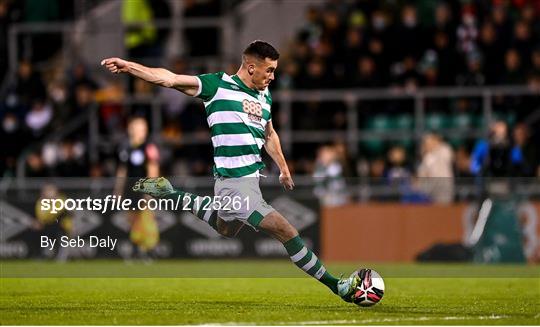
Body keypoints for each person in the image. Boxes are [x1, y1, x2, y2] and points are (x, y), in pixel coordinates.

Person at [101, 40, 359, 303]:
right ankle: (337, 285)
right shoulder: (218, 86)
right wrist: (129, 67)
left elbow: (269, 133)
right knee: (287, 230)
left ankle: (171, 192)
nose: (272, 76)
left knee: (226, 229)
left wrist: (283, 167)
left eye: (274, 70)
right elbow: (170, 79)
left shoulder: (264, 96)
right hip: (234, 184)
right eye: (268, 70)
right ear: (250, 67)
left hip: (247, 183)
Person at [114, 116, 160, 259]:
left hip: (144, 188)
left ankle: (148, 250)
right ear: (131, 129)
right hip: (130, 188)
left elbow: (153, 169)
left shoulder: (149, 147)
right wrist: (118, 191)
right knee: (132, 221)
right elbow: (122, 171)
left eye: (144, 128)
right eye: (139, 128)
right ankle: (136, 249)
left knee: (146, 219)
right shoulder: (125, 148)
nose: (142, 131)